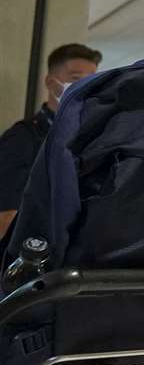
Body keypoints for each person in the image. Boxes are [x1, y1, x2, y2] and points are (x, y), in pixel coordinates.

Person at [0, 43, 101, 240]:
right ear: (50, 82)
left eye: (91, 80)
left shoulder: (90, 139)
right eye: (76, 79)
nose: (84, 87)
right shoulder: (23, 138)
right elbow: (6, 219)